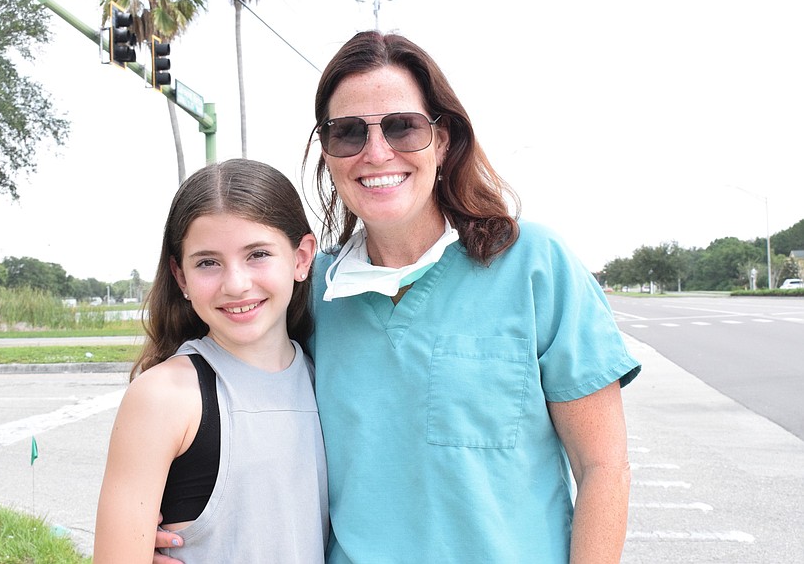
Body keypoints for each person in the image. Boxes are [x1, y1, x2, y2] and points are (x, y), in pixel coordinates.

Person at [154, 30, 641, 563]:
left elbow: (603, 468)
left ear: (444, 140)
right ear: (328, 154)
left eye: (403, 127)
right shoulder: (307, 292)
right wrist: (171, 532)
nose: (377, 152)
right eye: (347, 134)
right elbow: (226, 412)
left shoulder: (535, 265)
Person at [94, 158, 328, 564]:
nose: (235, 284)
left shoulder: (323, 376)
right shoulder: (165, 396)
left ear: (301, 258)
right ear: (181, 277)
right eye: (207, 262)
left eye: (257, 254)